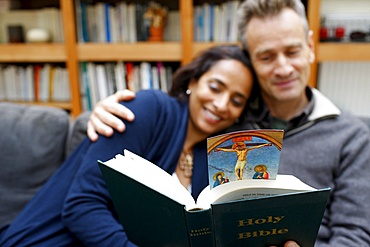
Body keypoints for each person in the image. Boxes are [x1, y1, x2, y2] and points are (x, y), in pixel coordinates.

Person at [86, 0, 370, 246]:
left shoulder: (352, 136)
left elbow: (356, 235)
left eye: (293, 51)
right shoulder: (226, 119)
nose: (283, 68)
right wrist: (101, 112)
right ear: (249, 61)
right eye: (267, 56)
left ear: (310, 46)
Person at [0, 45, 261, 246]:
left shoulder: (213, 155)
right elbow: (81, 205)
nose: (221, 104)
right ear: (193, 82)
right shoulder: (149, 109)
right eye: (215, 87)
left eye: (236, 101)